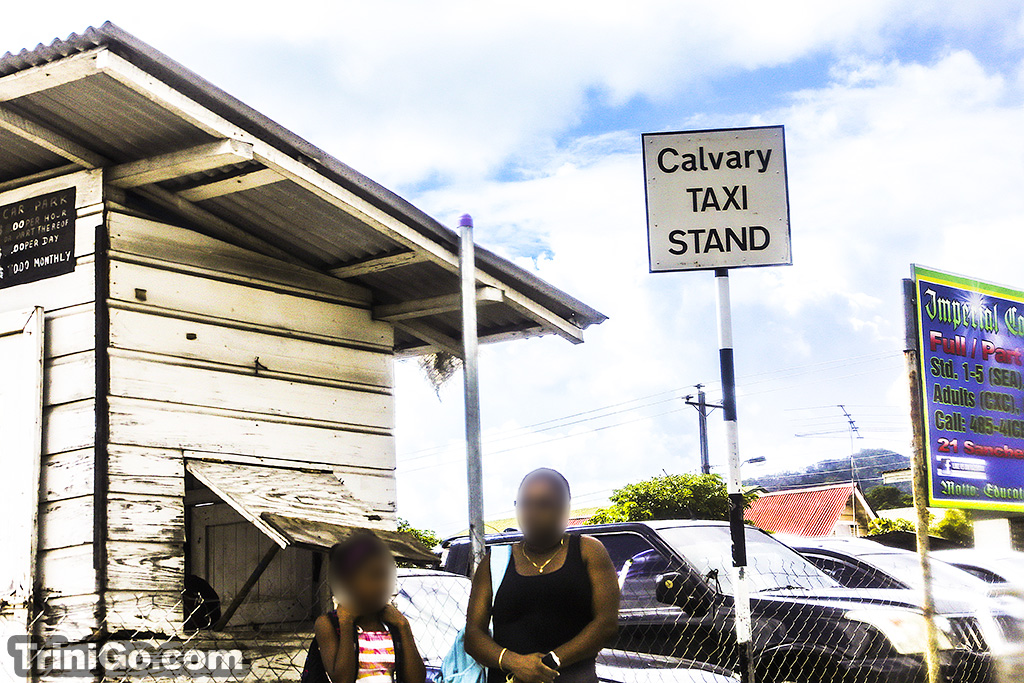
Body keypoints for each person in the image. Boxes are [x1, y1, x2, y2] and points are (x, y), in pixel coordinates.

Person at [465, 468, 620, 683]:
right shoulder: (494, 562)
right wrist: (514, 662)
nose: (532, 512)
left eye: (544, 504)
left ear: (565, 509)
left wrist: (548, 664)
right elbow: (473, 636)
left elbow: (606, 624)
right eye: (526, 504)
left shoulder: (588, 552)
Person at [304, 532, 426, 683]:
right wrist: (346, 624)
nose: (382, 585)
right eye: (374, 576)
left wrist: (404, 626)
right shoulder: (329, 625)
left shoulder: (391, 623)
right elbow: (342, 680)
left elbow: (416, 680)